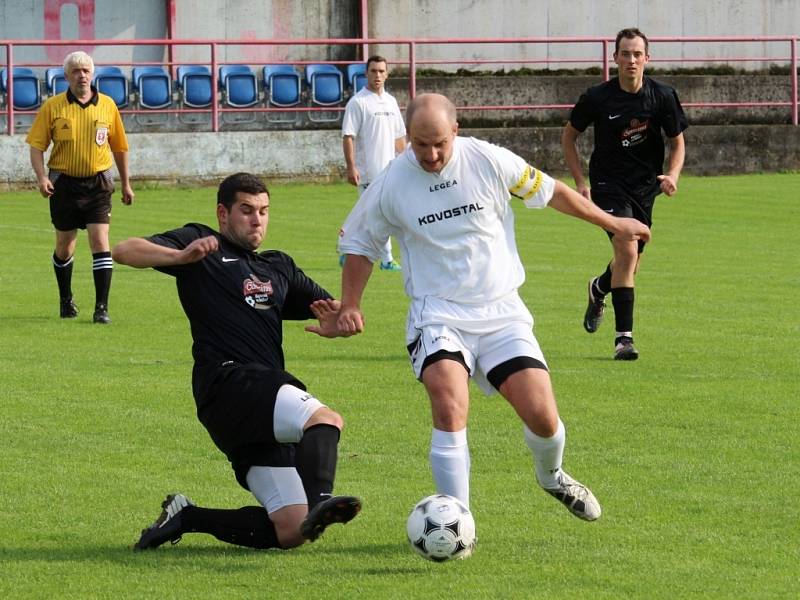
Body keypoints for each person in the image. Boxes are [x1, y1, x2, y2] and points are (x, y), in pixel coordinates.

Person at [336, 93, 651, 521]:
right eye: (419, 144)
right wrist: (350, 304)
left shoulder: (488, 160)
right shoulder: (391, 182)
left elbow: (553, 192)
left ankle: (552, 475)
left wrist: (613, 223)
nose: (429, 154)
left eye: (439, 144)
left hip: (501, 311)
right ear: (407, 137)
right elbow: (359, 244)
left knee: (543, 417)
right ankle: (457, 521)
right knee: (448, 404)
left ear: (456, 132)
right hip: (438, 314)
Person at [112, 172, 361, 551]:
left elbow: (332, 309)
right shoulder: (202, 246)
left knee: (293, 530)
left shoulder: (278, 267)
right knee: (325, 420)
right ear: (223, 213)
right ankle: (323, 500)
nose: (256, 219)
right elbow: (124, 250)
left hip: (258, 405)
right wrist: (181, 256)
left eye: (263, 211)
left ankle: (187, 516)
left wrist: (342, 320)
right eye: (246, 210)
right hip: (230, 383)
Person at [562, 27, 688, 360]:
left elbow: (677, 142)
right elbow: (569, 137)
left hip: (645, 188)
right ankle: (624, 340)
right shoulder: (597, 98)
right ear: (615, 57)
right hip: (607, 185)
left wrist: (672, 175)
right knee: (628, 252)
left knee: (629, 264)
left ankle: (599, 287)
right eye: (625, 54)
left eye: (637, 54)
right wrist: (580, 181)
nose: (631, 60)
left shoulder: (662, 96)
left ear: (647, 58)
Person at [26, 50, 135, 324]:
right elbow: (37, 146)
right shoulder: (53, 106)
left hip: (98, 183)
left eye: (86, 70)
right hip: (63, 184)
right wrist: (42, 178)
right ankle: (66, 299)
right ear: (66, 77)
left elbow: (119, 148)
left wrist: (126, 184)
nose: (82, 75)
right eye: (75, 71)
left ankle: (101, 308)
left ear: (92, 74)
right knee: (65, 245)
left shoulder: (108, 105)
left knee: (100, 241)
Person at [340, 55, 406, 272]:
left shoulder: (391, 102)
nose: (377, 75)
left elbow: (399, 137)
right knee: (377, 214)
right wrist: (351, 167)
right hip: (369, 172)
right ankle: (386, 259)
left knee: (374, 214)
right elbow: (348, 136)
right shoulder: (358, 102)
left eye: (381, 71)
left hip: (390, 171)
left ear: (387, 74)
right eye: (373, 71)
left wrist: (407, 162)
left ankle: (345, 247)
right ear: (366, 73)